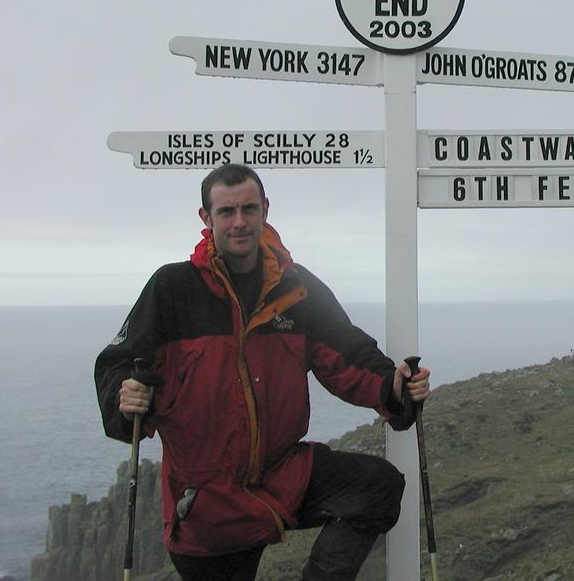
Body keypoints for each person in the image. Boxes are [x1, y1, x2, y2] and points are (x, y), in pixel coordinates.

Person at [95, 163, 431, 580]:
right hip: (207, 504)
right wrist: (123, 397)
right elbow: (119, 362)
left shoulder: (295, 287)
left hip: (282, 474)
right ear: (206, 217)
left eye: (249, 209)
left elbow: (348, 353)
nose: (240, 222)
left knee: (376, 488)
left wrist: (393, 386)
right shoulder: (172, 288)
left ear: (265, 210)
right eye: (226, 212)